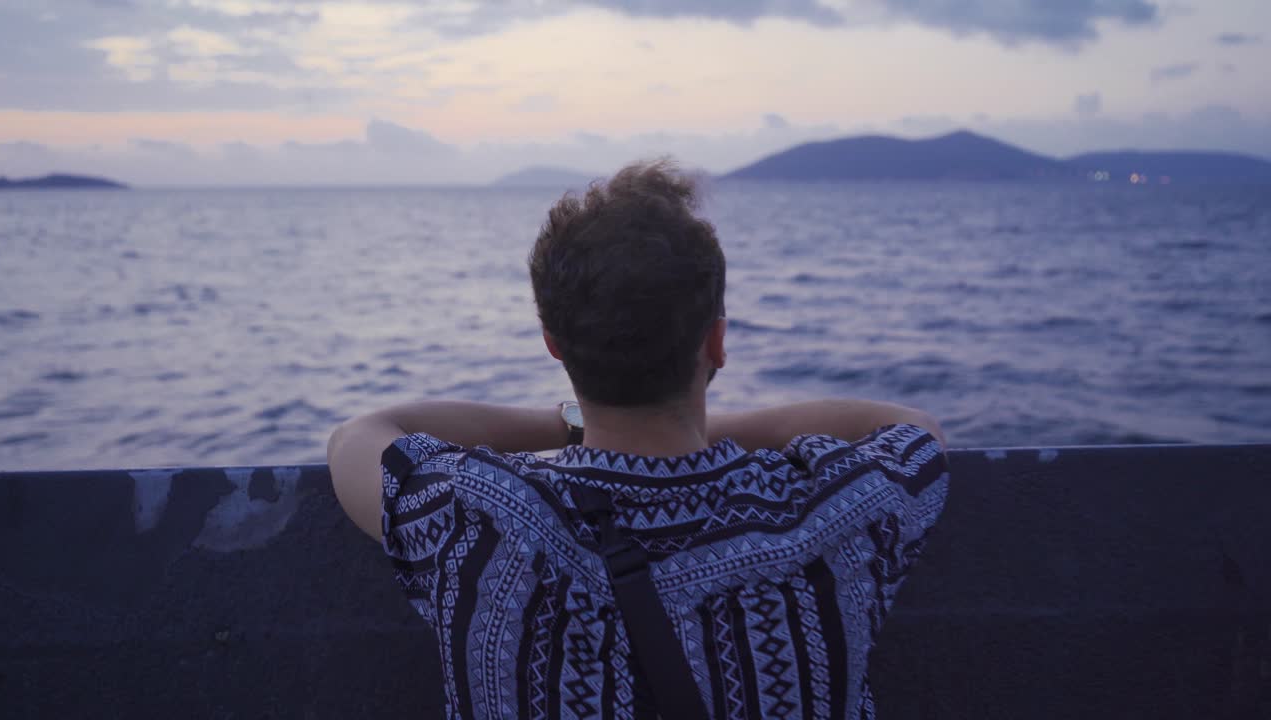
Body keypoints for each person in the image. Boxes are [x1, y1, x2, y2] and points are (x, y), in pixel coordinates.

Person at [327, 159, 950, 719]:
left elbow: (361, 437)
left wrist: (571, 419)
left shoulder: (476, 521)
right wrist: (693, 420)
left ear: (554, 345)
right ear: (715, 342)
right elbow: (913, 431)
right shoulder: (836, 516)